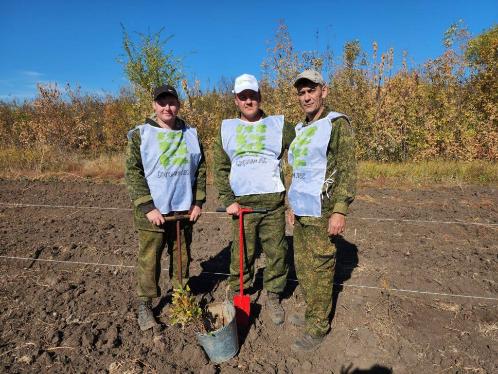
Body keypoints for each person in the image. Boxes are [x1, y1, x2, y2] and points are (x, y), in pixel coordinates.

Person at [214, 74, 295, 325]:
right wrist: (228, 199)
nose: (249, 101)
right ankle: (241, 294)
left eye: (252, 95)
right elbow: (220, 168)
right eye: (243, 97)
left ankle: (273, 296)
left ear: (260, 96)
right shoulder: (227, 129)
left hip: (272, 206)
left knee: (277, 253)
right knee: (242, 254)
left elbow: (303, 147)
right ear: (236, 100)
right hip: (242, 207)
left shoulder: (279, 126)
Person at [125, 84, 206, 331]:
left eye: (171, 102)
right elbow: (133, 172)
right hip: (154, 213)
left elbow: (201, 168)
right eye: (162, 103)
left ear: (178, 105)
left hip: (183, 211)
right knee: (150, 259)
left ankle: (180, 297)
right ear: (154, 105)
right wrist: (148, 207)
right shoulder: (141, 134)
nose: (167, 107)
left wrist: (198, 202)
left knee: (181, 256)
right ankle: (145, 304)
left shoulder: (191, 133)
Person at [287, 70, 357, 351]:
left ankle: (318, 326)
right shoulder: (301, 129)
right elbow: (297, 170)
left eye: (311, 91)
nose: (306, 97)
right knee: (304, 268)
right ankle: (311, 313)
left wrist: (340, 210)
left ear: (323, 91)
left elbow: (348, 169)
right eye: (301, 93)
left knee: (321, 268)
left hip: (323, 209)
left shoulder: (336, 124)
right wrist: (291, 205)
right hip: (301, 210)